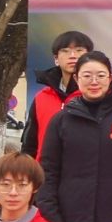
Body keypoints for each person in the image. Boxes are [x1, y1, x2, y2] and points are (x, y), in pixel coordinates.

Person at [39, 51, 112, 222]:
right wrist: (53, 218)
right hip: (69, 220)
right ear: (76, 79)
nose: (94, 81)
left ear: (110, 78)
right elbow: (48, 171)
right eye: (87, 76)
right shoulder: (61, 120)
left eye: (100, 75)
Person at [20, 28, 92, 156]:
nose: (72, 55)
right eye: (65, 51)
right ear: (56, 59)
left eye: (79, 50)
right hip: (44, 167)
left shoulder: (96, 97)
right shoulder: (41, 98)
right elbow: (29, 145)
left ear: (90, 57)